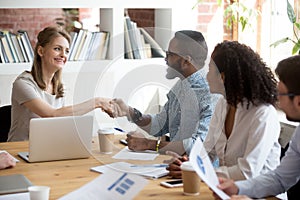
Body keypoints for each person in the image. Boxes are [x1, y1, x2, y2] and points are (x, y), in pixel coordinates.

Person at [166, 41, 281, 181]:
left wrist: (201, 173)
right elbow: (207, 152)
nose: (206, 77)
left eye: (210, 71)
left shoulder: (263, 114)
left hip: (262, 195)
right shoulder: (223, 104)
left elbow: (247, 172)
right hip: (226, 190)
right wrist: (188, 165)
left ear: (222, 77)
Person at [111, 30, 217, 155]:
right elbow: (159, 125)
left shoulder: (209, 94)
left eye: (170, 54)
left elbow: (198, 146)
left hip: (197, 171)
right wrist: (129, 112)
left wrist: (148, 144)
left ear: (186, 61)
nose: (165, 59)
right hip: (174, 164)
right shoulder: (180, 86)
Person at [215, 55, 300, 199]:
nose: (277, 100)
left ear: (298, 101)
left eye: (281, 94)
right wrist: (237, 188)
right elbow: (280, 179)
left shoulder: (263, 112)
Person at [7, 26, 113, 141]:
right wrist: (97, 102)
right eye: (57, 49)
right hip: (18, 150)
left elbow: (59, 122)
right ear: (41, 51)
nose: (63, 55)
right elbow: (52, 114)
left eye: (67, 51)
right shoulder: (23, 83)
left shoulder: (59, 87)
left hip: (47, 147)